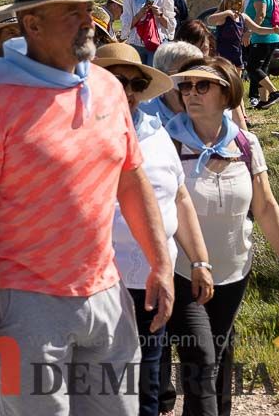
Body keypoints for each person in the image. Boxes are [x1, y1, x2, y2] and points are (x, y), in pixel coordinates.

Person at [0, 0, 173, 416]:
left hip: (105, 293)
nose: (89, 21)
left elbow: (130, 180)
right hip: (23, 303)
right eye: (74, 12)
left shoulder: (109, 87)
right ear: (31, 23)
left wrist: (161, 264)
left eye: (89, 10)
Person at [92, 43, 213, 416]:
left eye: (135, 83)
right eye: (117, 81)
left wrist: (199, 261)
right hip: (97, 288)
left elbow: (179, 198)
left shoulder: (156, 132)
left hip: (150, 285)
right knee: (101, 390)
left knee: (147, 389)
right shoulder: (78, 131)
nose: (127, 91)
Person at [161, 58, 279, 416]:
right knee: (201, 358)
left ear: (227, 92)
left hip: (234, 271)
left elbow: (264, 206)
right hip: (182, 271)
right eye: (186, 86)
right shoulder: (167, 143)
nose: (191, 93)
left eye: (203, 86)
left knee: (218, 358)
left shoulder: (245, 144)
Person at [207, 0, 279, 73]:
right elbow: (210, 20)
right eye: (232, 3)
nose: (234, 6)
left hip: (237, 55)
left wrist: (273, 30)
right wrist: (227, 12)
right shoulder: (223, 17)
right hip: (223, 56)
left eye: (238, 4)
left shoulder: (242, 17)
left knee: (237, 83)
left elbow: (258, 29)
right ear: (226, 3)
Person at [244, 0, 279, 110]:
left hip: (262, 37)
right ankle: (264, 100)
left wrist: (250, 32)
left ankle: (274, 92)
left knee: (252, 67)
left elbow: (260, 14)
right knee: (262, 69)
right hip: (271, 37)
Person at [122, 0, 177, 65]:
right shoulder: (131, 0)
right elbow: (126, 26)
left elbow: (170, 26)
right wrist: (140, 13)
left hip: (157, 44)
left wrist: (159, 15)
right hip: (136, 44)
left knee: (154, 76)